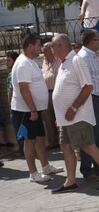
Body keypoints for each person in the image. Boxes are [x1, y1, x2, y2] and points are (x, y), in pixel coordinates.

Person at [50, 34, 99, 193]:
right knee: (66, 145)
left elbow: (88, 87)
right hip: (65, 118)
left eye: (53, 46)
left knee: (88, 145)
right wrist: (59, 115)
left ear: (62, 45)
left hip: (77, 115)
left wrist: (73, 108)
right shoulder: (63, 64)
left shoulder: (77, 60)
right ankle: (71, 181)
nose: (50, 49)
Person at [11, 33, 63, 182]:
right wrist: (32, 109)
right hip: (26, 111)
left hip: (34, 110)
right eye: (38, 45)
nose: (40, 48)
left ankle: (45, 166)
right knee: (29, 141)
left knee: (40, 138)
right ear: (30, 46)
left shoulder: (29, 61)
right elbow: (24, 88)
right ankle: (33, 173)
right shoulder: (23, 64)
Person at [77, 29, 99, 182]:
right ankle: (87, 170)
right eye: (98, 39)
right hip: (91, 100)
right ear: (90, 41)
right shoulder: (83, 57)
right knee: (91, 136)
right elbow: (84, 83)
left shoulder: (92, 56)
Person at [41, 42, 60, 149]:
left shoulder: (59, 61)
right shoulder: (43, 62)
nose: (44, 52)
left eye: (46, 50)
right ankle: (53, 142)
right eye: (43, 50)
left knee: (59, 117)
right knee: (48, 119)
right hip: (46, 93)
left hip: (56, 92)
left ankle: (63, 140)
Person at [6, 51, 22, 155]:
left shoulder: (13, 74)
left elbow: (10, 92)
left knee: (19, 128)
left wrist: (9, 105)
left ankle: (23, 150)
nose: (6, 62)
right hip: (17, 105)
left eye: (8, 60)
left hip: (16, 105)